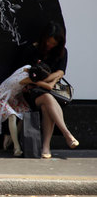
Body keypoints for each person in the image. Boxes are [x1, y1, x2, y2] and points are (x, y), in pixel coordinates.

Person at [20, 22, 77, 158]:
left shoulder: (62, 52)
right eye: (48, 42)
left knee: (47, 106)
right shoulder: (31, 50)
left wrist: (43, 82)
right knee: (47, 98)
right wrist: (48, 81)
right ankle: (66, 134)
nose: (50, 46)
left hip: (47, 90)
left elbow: (61, 72)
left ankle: (46, 148)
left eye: (53, 43)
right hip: (32, 92)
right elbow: (24, 74)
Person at [0, 63, 51, 157]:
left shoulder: (27, 67)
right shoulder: (26, 79)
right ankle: (16, 147)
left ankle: (11, 136)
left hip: (13, 98)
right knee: (12, 115)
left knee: (27, 113)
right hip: (0, 99)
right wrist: (57, 77)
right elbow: (49, 86)